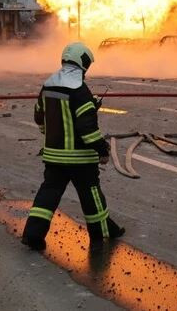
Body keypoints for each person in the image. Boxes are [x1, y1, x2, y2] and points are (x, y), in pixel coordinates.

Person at [21, 42, 124, 254]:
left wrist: (48, 135)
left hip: (54, 156)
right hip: (80, 159)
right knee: (91, 195)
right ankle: (102, 233)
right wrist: (102, 150)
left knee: (47, 195)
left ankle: (33, 235)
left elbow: (39, 115)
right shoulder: (80, 90)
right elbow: (87, 129)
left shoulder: (48, 85)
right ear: (83, 63)